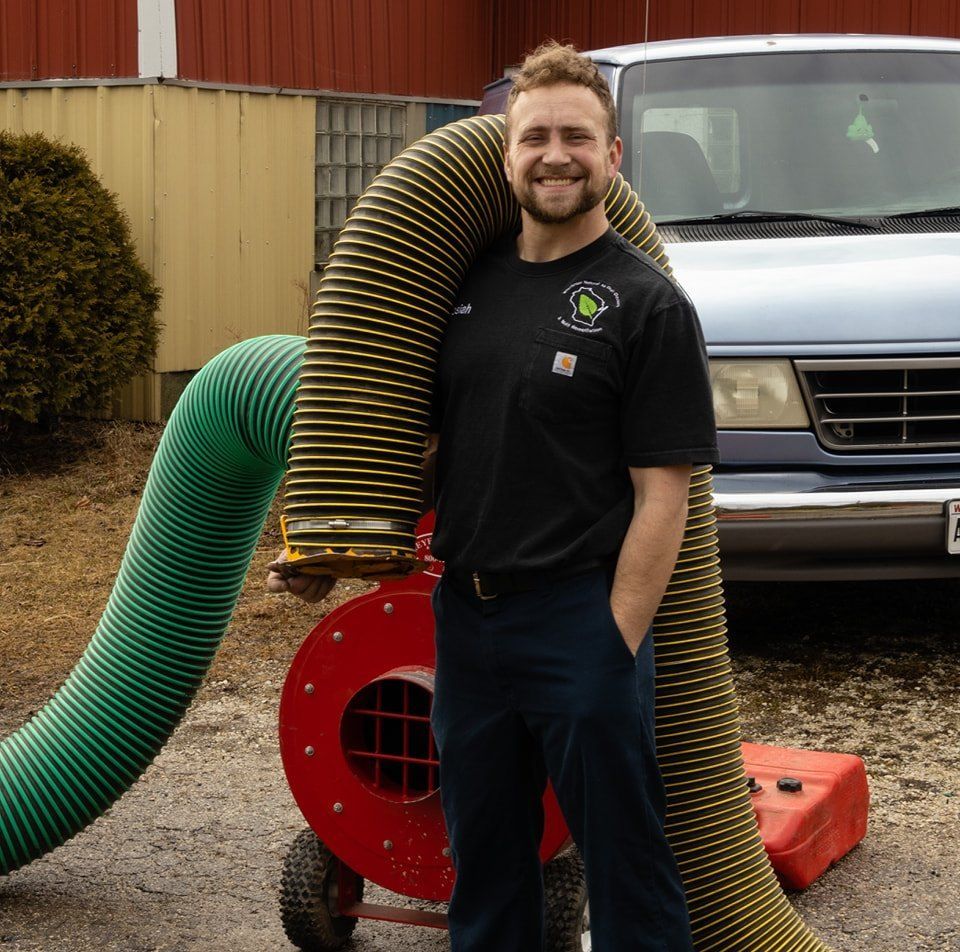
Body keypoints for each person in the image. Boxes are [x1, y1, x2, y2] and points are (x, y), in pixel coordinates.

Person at [270, 41, 718, 952]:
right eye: (537, 136)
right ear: (505, 151)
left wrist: (613, 640)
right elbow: (435, 448)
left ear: (613, 155)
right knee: (485, 869)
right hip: (467, 624)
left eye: (578, 139)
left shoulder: (646, 306)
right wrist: (332, 552)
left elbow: (664, 495)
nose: (557, 156)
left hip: (578, 620)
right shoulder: (466, 288)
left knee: (628, 871)